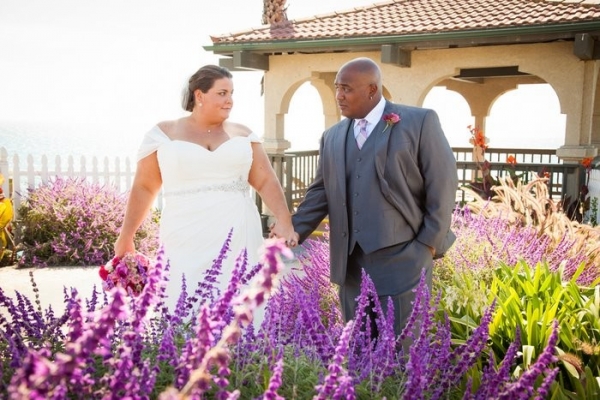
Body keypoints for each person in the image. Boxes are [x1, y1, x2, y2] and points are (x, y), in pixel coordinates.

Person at [291, 57, 458, 342]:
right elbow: (320, 192)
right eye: (336, 88)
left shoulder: (419, 122)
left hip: (404, 259)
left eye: (346, 89)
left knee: (402, 352)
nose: (339, 96)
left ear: (372, 89)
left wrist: (427, 244)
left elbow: (442, 184)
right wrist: (292, 229)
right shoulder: (331, 137)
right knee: (356, 353)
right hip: (350, 266)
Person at [114, 65, 297, 316]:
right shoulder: (164, 134)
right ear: (199, 96)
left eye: (232, 93)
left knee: (240, 299)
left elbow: (265, 180)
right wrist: (126, 236)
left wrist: (285, 220)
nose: (230, 100)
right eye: (222, 93)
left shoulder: (243, 135)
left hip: (238, 231)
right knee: (183, 297)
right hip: (184, 233)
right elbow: (145, 187)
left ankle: (243, 353)